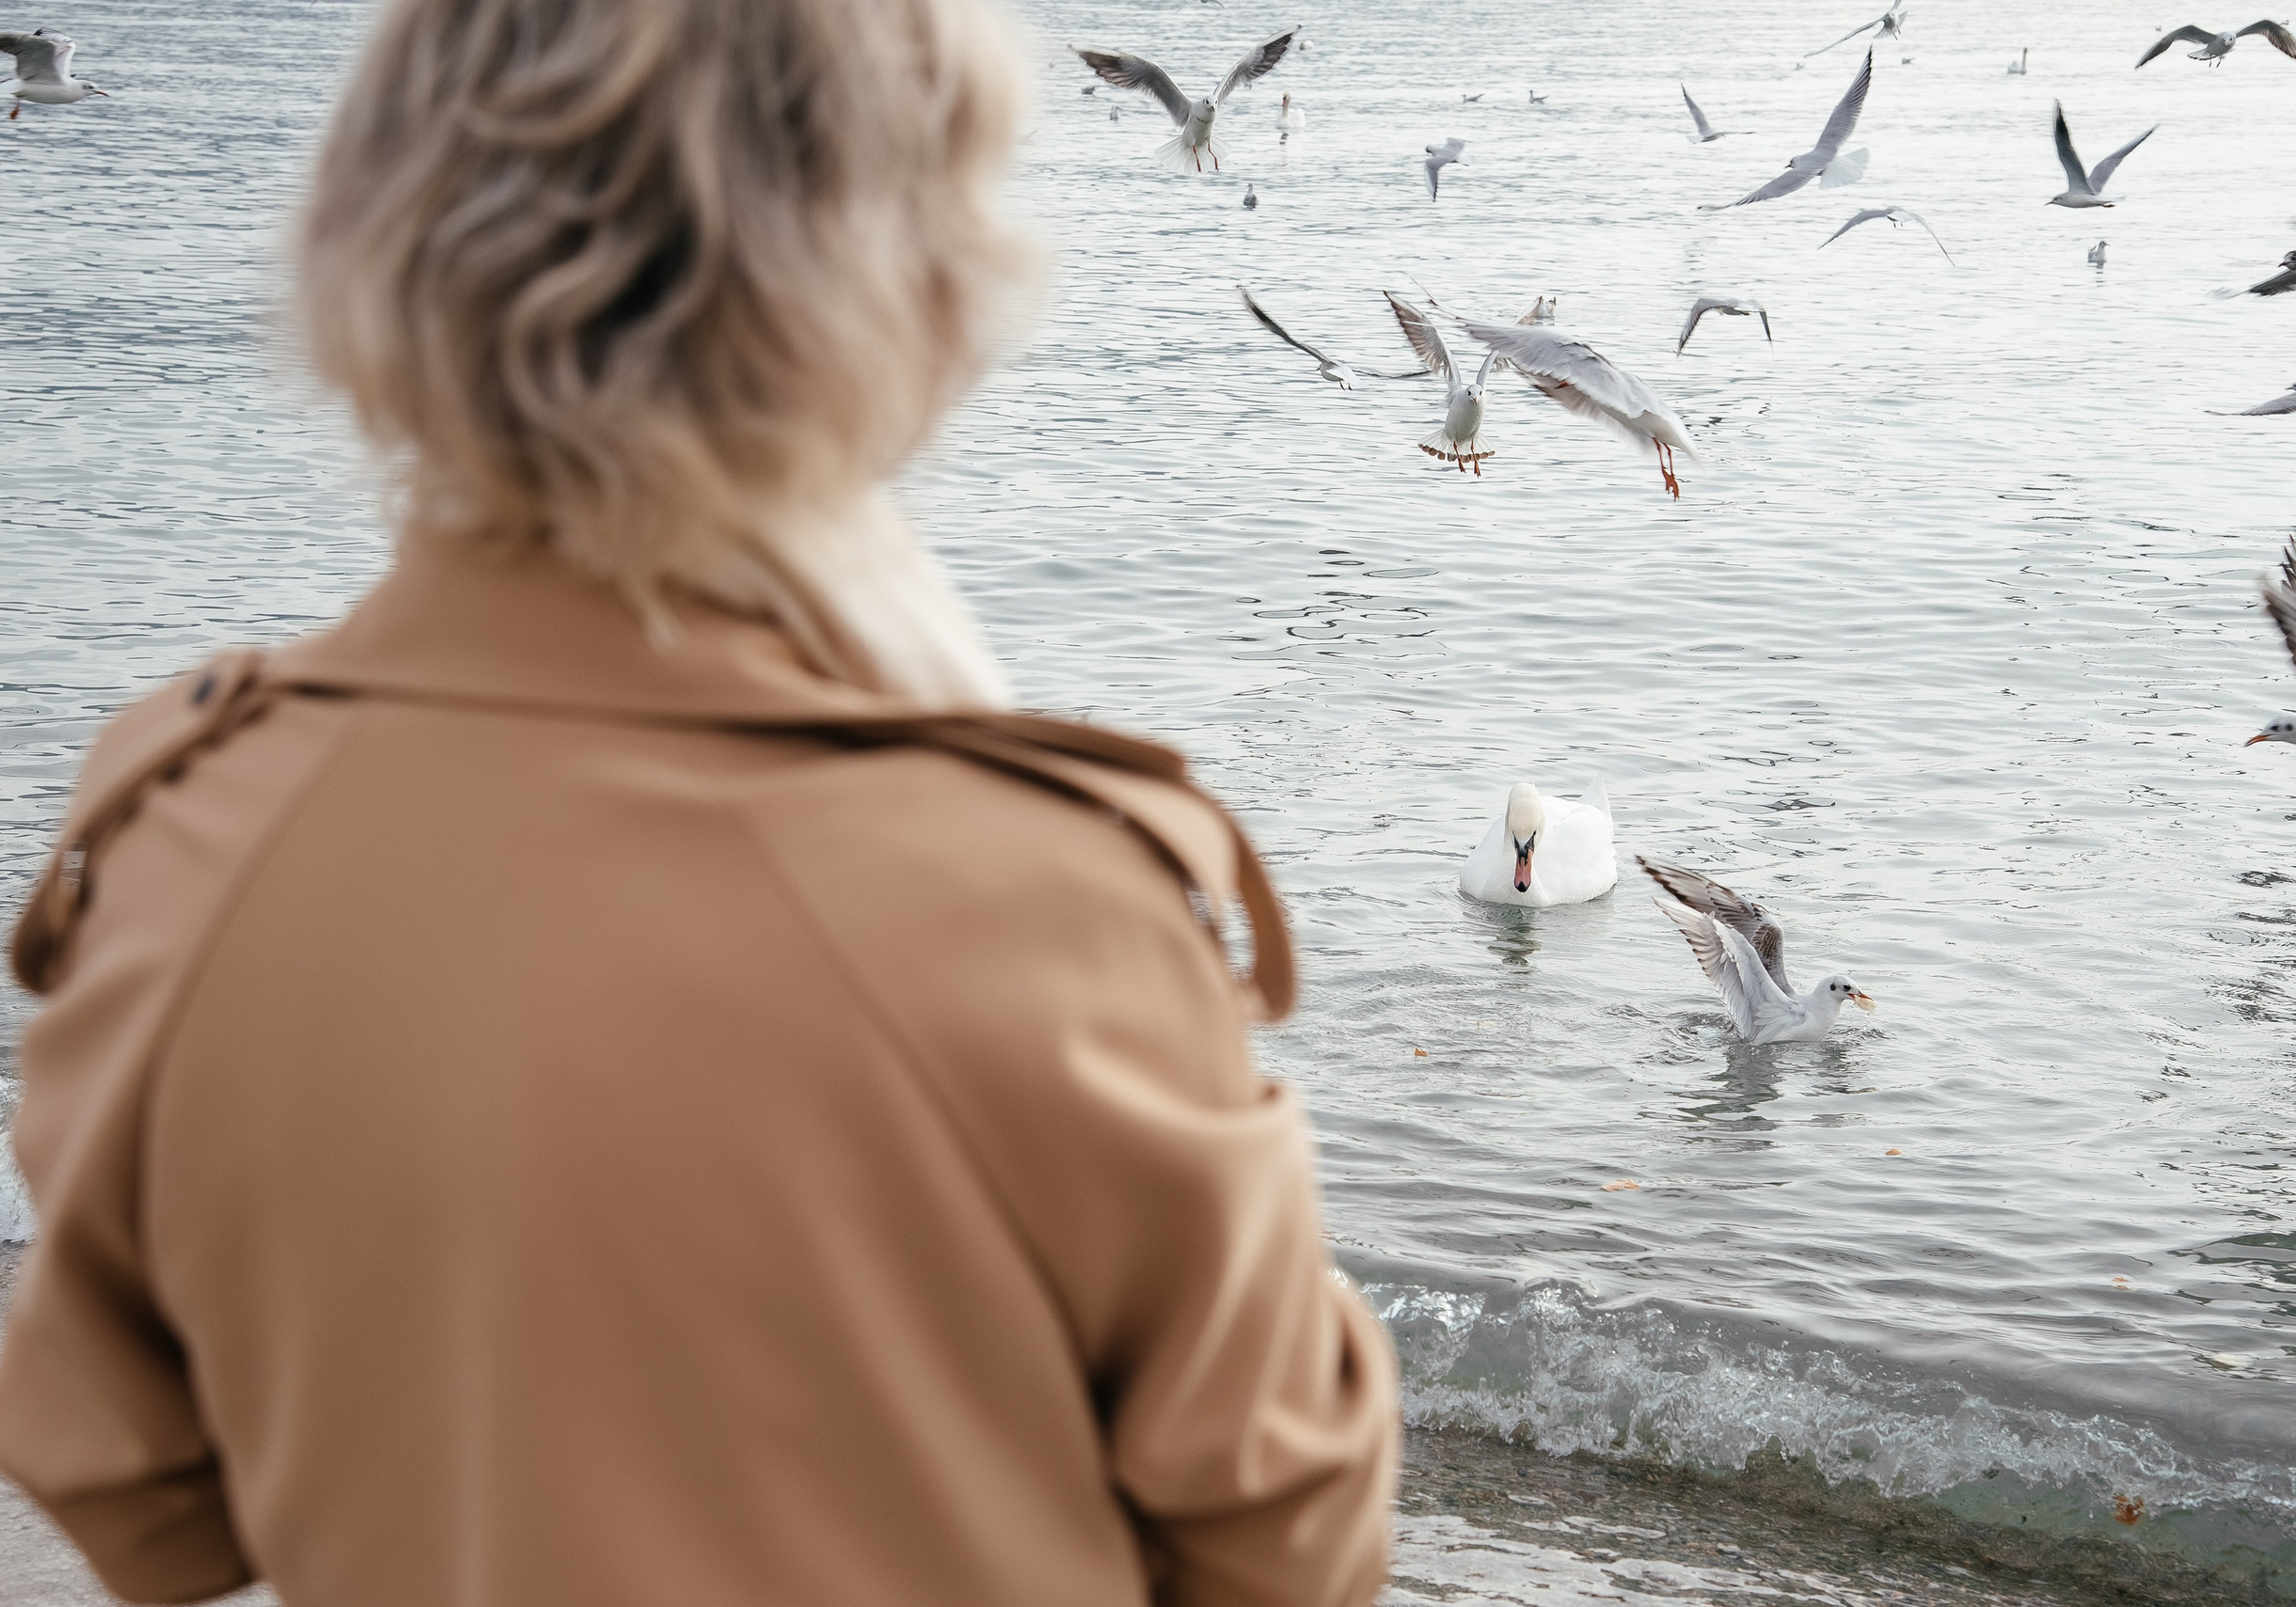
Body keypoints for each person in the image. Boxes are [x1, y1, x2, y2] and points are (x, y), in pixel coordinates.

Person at [0, 0, 1399, 1601]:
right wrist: (956, 738)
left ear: (373, 233)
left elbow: (128, 1489)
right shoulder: (1046, 901)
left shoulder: (183, 836)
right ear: (916, 293)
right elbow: (1296, 1535)